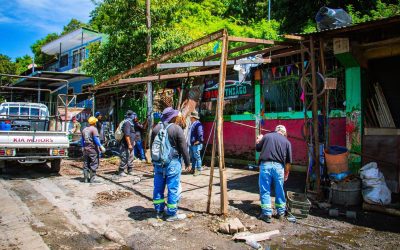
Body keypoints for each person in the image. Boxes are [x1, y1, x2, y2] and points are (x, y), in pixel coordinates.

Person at [151, 107, 191, 222]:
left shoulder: (156, 128)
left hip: (158, 163)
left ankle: (159, 211)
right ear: (172, 117)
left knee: (158, 188)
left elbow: (152, 146)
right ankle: (171, 214)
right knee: (173, 188)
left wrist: (154, 163)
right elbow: (183, 147)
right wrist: (188, 163)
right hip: (172, 163)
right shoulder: (176, 129)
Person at [256, 125, 292, 223]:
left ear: (276, 131)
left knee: (265, 189)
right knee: (279, 189)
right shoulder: (287, 142)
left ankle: (267, 214)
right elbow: (288, 162)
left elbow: (257, 148)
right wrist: (286, 173)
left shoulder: (267, 136)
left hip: (266, 166)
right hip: (279, 167)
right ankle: (280, 213)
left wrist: (259, 139)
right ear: (284, 133)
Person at [81, 116, 106, 184]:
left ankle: (86, 179)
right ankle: (92, 180)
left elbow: (82, 140)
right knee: (93, 163)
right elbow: (96, 139)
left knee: (86, 164)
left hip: (85, 150)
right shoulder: (94, 129)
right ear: (94, 123)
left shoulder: (84, 129)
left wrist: (83, 147)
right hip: (93, 150)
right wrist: (100, 146)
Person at [118, 110, 136, 176]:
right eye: (133, 115)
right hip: (125, 144)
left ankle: (130, 170)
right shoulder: (127, 123)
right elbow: (127, 135)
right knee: (124, 157)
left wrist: (133, 142)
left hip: (131, 144)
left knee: (131, 157)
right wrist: (129, 144)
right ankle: (121, 171)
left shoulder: (131, 123)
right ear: (130, 115)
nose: (134, 116)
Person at [188, 111, 204, 176]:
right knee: (193, 157)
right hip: (192, 144)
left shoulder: (198, 124)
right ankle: (193, 169)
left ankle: (199, 170)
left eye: (191, 117)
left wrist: (198, 141)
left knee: (197, 157)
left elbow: (200, 133)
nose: (190, 118)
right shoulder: (192, 124)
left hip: (196, 144)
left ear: (193, 117)